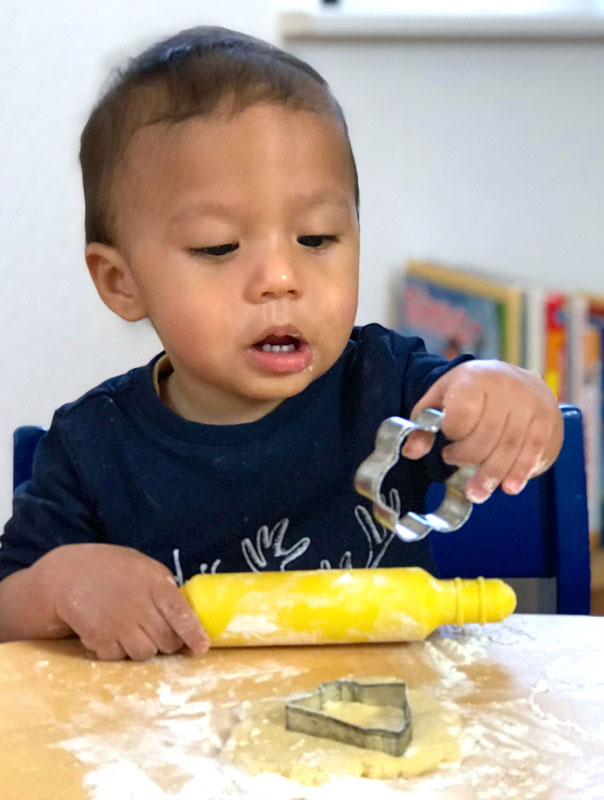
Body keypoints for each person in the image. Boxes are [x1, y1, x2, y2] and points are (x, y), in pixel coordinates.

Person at [0, 27, 563, 661]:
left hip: (387, 726)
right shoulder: (91, 448)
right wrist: (59, 586)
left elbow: (523, 439)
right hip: (175, 749)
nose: (280, 279)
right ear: (121, 281)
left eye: (317, 239)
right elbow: (7, 609)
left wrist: (516, 401)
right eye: (219, 247)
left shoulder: (389, 385)